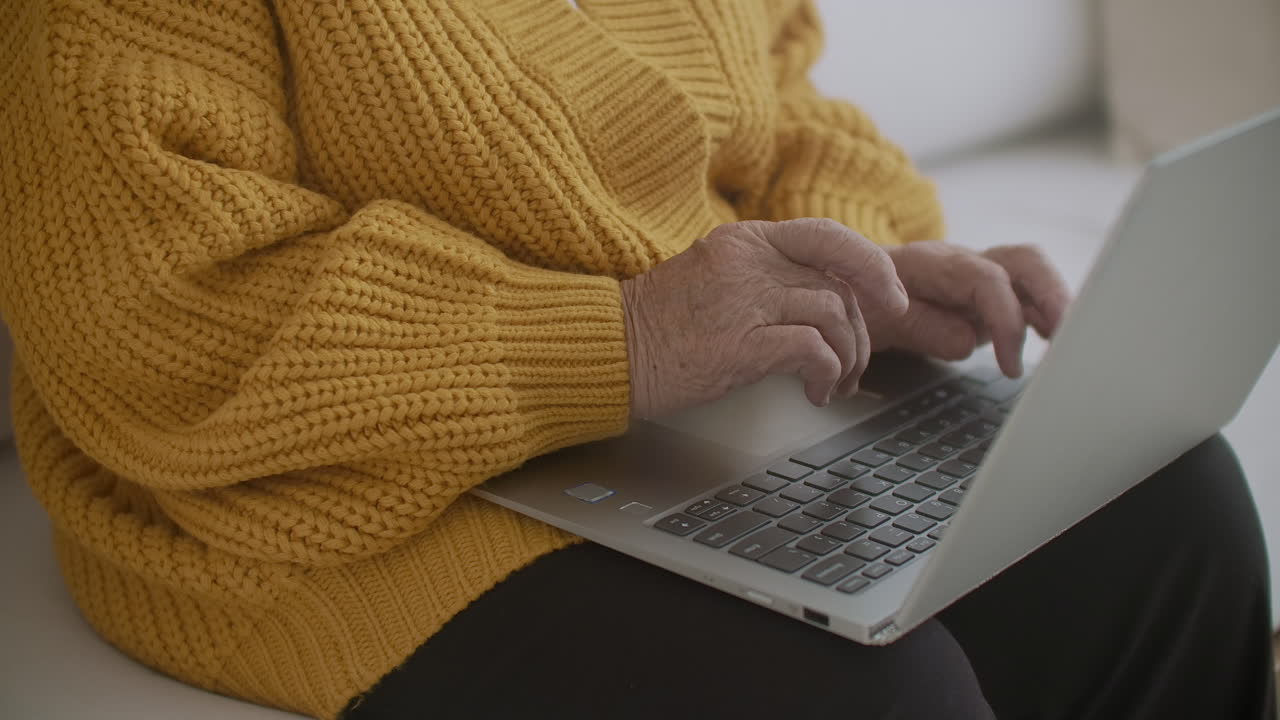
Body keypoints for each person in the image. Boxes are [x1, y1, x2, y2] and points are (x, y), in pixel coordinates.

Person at [0, 1, 1272, 718]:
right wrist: (619, 341)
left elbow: (780, 100)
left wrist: (865, 270)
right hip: (335, 483)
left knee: (1166, 511)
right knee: (864, 705)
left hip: (699, 390)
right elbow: (150, 316)